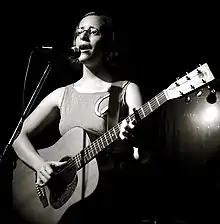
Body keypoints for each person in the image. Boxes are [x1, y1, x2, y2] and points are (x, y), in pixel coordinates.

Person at [12, 11, 143, 223]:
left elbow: (141, 152)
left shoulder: (126, 90)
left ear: (108, 43)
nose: (83, 37)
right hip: (68, 211)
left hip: (109, 206)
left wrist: (137, 137)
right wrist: (39, 165)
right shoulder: (62, 94)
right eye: (79, 32)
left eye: (93, 32)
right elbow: (19, 136)